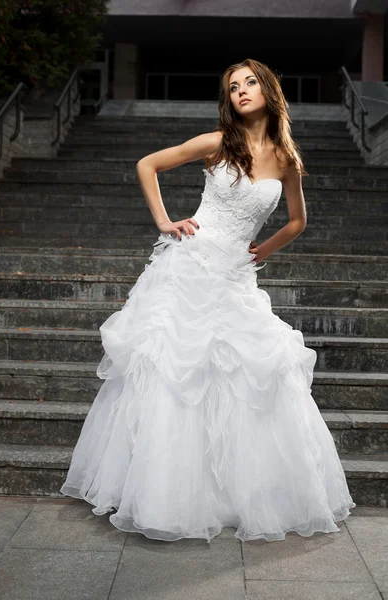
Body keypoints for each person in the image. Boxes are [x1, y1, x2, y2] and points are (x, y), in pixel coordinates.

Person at [60, 58, 356, 544]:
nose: (240, 90)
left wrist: (262, 250)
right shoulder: (218, 142)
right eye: (232, 86)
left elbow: (298, 220)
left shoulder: (286, 158)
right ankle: (164, 493)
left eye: (249, 82)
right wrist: (164, 221)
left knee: (243, 378)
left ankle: (232, 495)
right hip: (192, 269)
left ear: (269, 89)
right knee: (178, 376)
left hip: (235, 278)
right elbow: (148, 164)